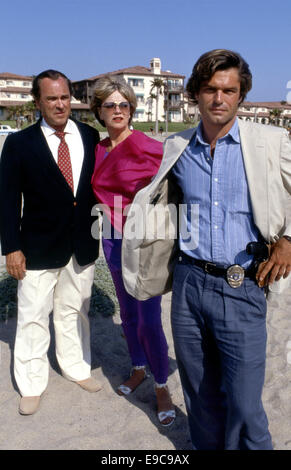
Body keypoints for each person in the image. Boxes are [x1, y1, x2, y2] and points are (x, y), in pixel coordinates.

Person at [122, 49, 291, 449]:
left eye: (229, 91)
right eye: (211, 90)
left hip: (243, 286)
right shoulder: (177, 146)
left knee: (246, 404)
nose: (220, 99)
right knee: (199, 393)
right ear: (196, 94)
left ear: (241, 95)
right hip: (189, 286)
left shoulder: (269, 141)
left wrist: (288, 239)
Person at [0, 70, 101, 415]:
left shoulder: (90, 135)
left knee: (75, 312)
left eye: (64, 97)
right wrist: (11, 247)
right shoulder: (19, 143)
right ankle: (31, 382)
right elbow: (8, 200)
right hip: (37, 248)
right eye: (51, 98)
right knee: (32, 315)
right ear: (38, 101)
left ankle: (76, 367)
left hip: (82, 244)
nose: (60, 104)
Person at [90, 75, 175, 427]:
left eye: (124, 104)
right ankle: (138, 367)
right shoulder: (97, 148)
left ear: (132, 109)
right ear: (99, 110)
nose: (118, 110)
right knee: (127, 313)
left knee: (149, 317)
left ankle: (161, 384)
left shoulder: (145, 145)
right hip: (110, 235)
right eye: (110, 104)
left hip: (142, 238)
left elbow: (177, 176)